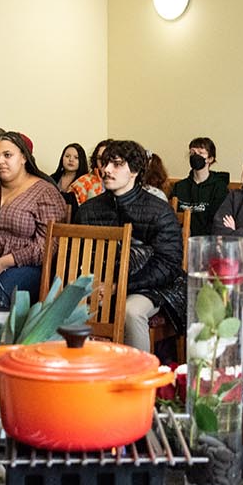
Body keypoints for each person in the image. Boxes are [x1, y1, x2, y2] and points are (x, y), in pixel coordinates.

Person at [74, 140, 186, 354]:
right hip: (101, 283)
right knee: (56, 306)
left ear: (134, 171)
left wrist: (119, 286)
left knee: (130, 311)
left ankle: (137, 379)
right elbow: (78, 255)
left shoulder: (159, 210)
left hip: (152, 286)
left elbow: (168, 264)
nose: (106, 170)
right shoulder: (88, 210)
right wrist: (94, 285)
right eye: (105, 163)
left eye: (116, 164)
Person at [0, 132, 65, 310]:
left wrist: (1, 263)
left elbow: (47, 246)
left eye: (7, 155)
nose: (0, 161)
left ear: (24, 157)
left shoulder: (44, 192)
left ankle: (0, 339)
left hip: (27, 267)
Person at [172, 136, 231, 236]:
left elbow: (217, 222)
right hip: (181, 241)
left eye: (201, 153)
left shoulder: (219, 188)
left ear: (210, 159)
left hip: (208, 241)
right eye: (193, 153)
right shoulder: (179, 186)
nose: (195, 156)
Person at [68, 139, 110, 206]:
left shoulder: (124, 181)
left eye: (107, 157)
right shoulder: (82, 183)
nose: (103, 162)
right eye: (99, 158)